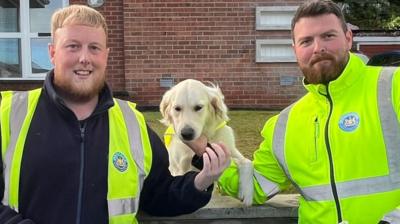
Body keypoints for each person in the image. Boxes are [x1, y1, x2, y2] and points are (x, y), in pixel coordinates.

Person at [0, 5, 230, 224]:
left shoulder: (133, 121)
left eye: (94, 48)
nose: (84, 58)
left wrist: (201, 181)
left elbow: (158, 195)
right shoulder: (9, 113)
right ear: (52, 52)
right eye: (72, 46)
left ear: (106, 55)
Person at [216, 0, 400, 223]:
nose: (318, 48)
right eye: (306, 41)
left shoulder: (393, 86)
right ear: (295, 50)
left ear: (348, 38)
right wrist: (203, 150)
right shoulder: (284, 124)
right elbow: (256, 186)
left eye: (328, 36)